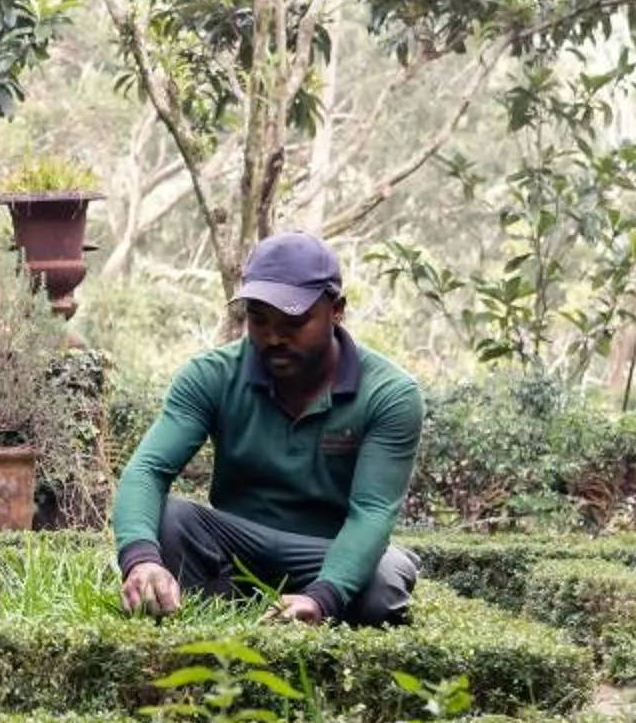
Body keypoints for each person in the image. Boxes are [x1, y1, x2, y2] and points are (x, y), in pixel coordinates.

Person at [113, 230, 424, 626]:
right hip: (237, 544)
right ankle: (216, 621)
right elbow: (147, 470)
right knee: (169, 520)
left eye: (294, 322)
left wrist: (324, 596)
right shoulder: (210, 376)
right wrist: (140, 559)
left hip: (327, 551)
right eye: (259, 320)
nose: (274, 337)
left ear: (337, 309)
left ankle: (308, 606)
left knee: (383, 585)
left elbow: (373, 512)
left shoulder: (390, 393)